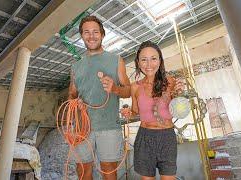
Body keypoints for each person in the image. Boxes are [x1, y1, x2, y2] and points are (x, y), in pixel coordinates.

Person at [68, 15, 131, 180]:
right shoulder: (76, 67)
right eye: (86, 32)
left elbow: (129, 90)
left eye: (95, 32)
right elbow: (71, 95)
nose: (91, 36)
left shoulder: (116, 60)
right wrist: (75, 102)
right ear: (81, 36)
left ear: (102, 34)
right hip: (82, 128)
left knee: (108, 170)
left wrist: (115, 88)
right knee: (82, 170)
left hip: (109, 125)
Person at [121, 41, 182, 180]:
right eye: (144, 60)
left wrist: (179, 93)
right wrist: (128, 113)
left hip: (167, 137)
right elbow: (135, 111)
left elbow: (177, 108)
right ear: (138, 62)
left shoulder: (170, 82)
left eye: (153, 59)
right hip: (145, 137)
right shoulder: (135, 87)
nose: (149, 65)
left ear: (160, 60)